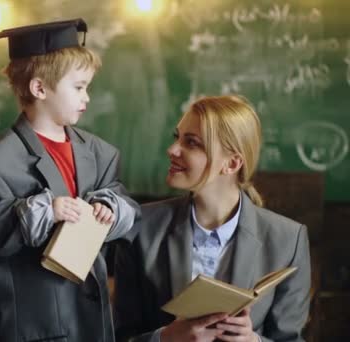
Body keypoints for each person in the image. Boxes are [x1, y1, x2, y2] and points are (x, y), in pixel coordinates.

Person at [0, 18, 140, 341]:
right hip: (38, 327)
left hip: (94, 319)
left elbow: (125, 204)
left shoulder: (99, 153)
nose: (87, 98)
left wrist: (109, 207)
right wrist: (45, 211)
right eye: (79, 87)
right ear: (39, 88)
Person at [114, 95, 311, 342]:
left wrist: (253, 340)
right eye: (177, 137)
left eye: (192, 143)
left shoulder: (288, 240)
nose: (172, 150)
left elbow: (290, 338)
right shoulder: (140, 227)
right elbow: (116, 336)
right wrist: (164, 339)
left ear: (231, 163)